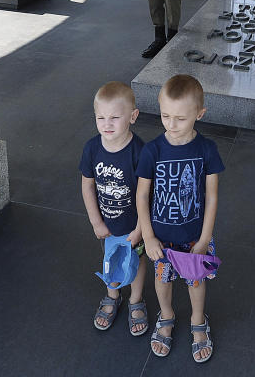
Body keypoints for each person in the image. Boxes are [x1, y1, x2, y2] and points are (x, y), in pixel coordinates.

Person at [136, 75, 223, 363]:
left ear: (200, 114)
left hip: (193, 237)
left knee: (195, 282)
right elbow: (142, 195)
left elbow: (211, 197)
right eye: (165, 116)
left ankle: (199, 320)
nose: (171, 125)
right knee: (162, 279)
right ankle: (168, 314)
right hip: (161, 239)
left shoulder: (207, 150)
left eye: (181, 119)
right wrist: (148, 236)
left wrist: (205, 238)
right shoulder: (152, 150)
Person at [79, 81, 149, 336]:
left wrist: (141, 229)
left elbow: (146, 195)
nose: (107, 124)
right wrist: (96, 222)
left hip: (133, 225)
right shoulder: (92, 148)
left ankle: (136, 299)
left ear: (133, 116)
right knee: (110, 260)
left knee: (137, 261)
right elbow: (87, 187)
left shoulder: (140, 152)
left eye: (115, 117)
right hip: (107, 224)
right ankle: (113, 294)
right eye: (101, 117)